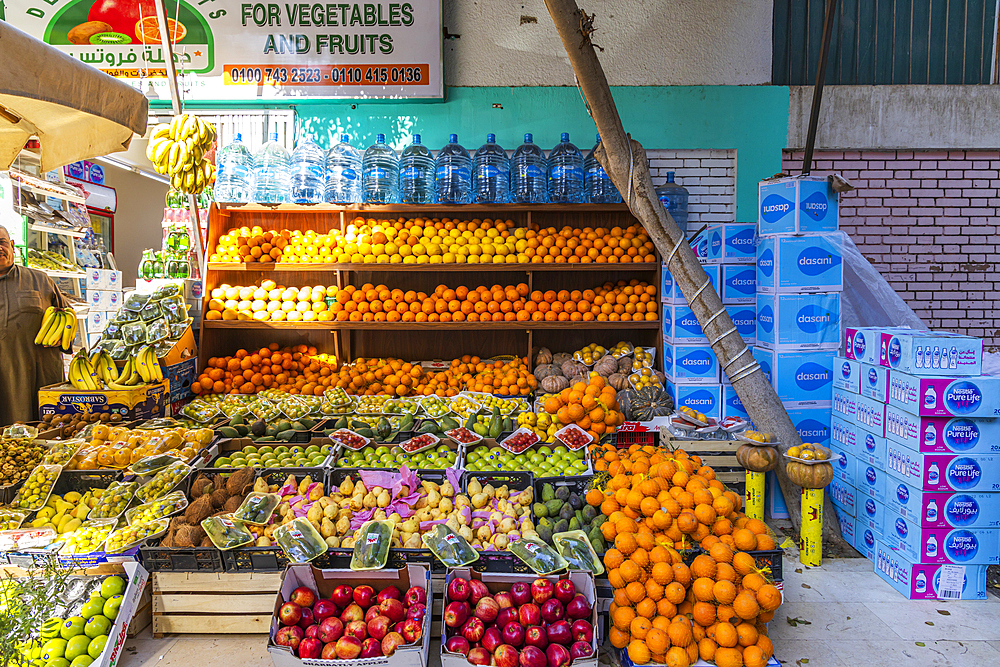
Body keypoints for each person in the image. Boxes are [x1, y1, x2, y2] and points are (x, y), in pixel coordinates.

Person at [0, 225, 70, 425]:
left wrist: (62, 337)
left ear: (12, 246)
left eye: (2, 242)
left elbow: (67, 316)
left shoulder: (39, 280)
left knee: (43, 429)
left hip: (38, 374)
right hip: (4, 377)